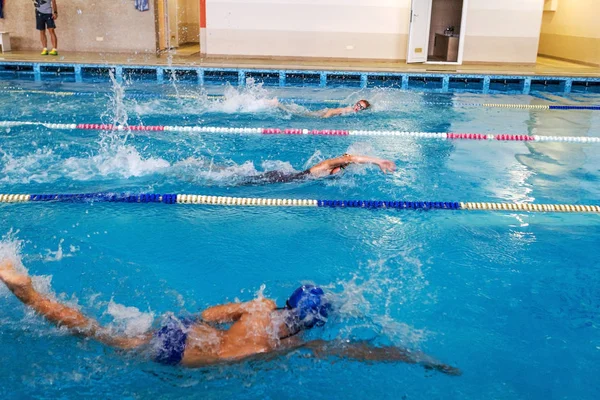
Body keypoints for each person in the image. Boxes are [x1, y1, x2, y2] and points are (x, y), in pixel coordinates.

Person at [0, 259, 460, 375]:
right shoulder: (291, 342)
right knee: (101, 339)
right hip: (198, 354)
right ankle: (27, 294)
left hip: (188, 330)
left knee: (106, 332)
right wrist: (413, 357)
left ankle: (30, 292)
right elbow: (359, 352)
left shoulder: (260, 306)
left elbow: (205, 313)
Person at [244, 153, 396, 184]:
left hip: (285, 177)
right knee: (241, 181)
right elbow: (351, 158)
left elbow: (352, 161)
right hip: (279, 179)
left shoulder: (334, 169)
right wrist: (378, 161)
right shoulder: (327, 165)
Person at [272, 98, 371, 118]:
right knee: (297, 114)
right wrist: (324, 119)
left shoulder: (351, 110)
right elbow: (332, 111)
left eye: (361, 107)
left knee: (298, 112)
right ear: (356, 103)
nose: (358, 107)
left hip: (323, 112)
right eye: (358, 104)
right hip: (323, 113)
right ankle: (277, 104)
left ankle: (279, 104)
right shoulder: (349, 110)